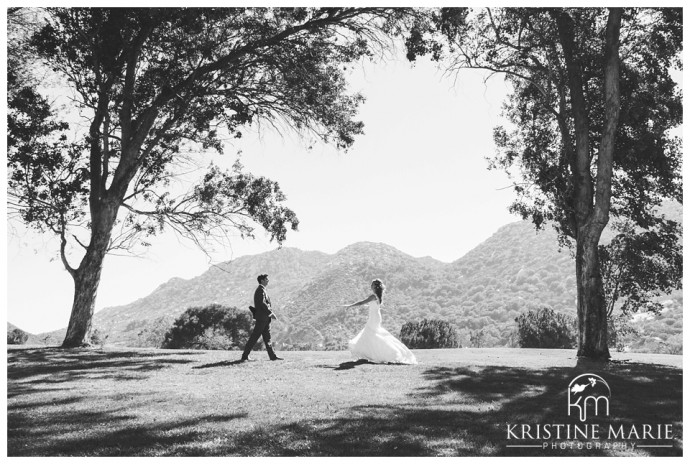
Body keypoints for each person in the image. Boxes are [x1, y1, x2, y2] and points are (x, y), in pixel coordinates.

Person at [342, 279, 417, 364]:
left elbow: (361, 303)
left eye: (372, 284)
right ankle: (370, 354)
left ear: (375, 286)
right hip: (376, 317)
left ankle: (387, 353)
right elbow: (372, 305)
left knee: (370, 334)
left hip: (373, 317)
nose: (371, 285)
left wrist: (349, 306)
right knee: (372, 334)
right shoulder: (378, 296)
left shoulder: (373, 296)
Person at [240, 274, 283, 362]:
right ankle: (245, 356)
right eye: (266, 279)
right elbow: (262, 303)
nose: (268, 280)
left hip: (265, 319)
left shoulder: (262, 290)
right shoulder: (260, 290)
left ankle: (273, 356)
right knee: (255, 337)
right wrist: (270, 313)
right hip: (262, 318)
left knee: (268, 338)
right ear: (262, 280)